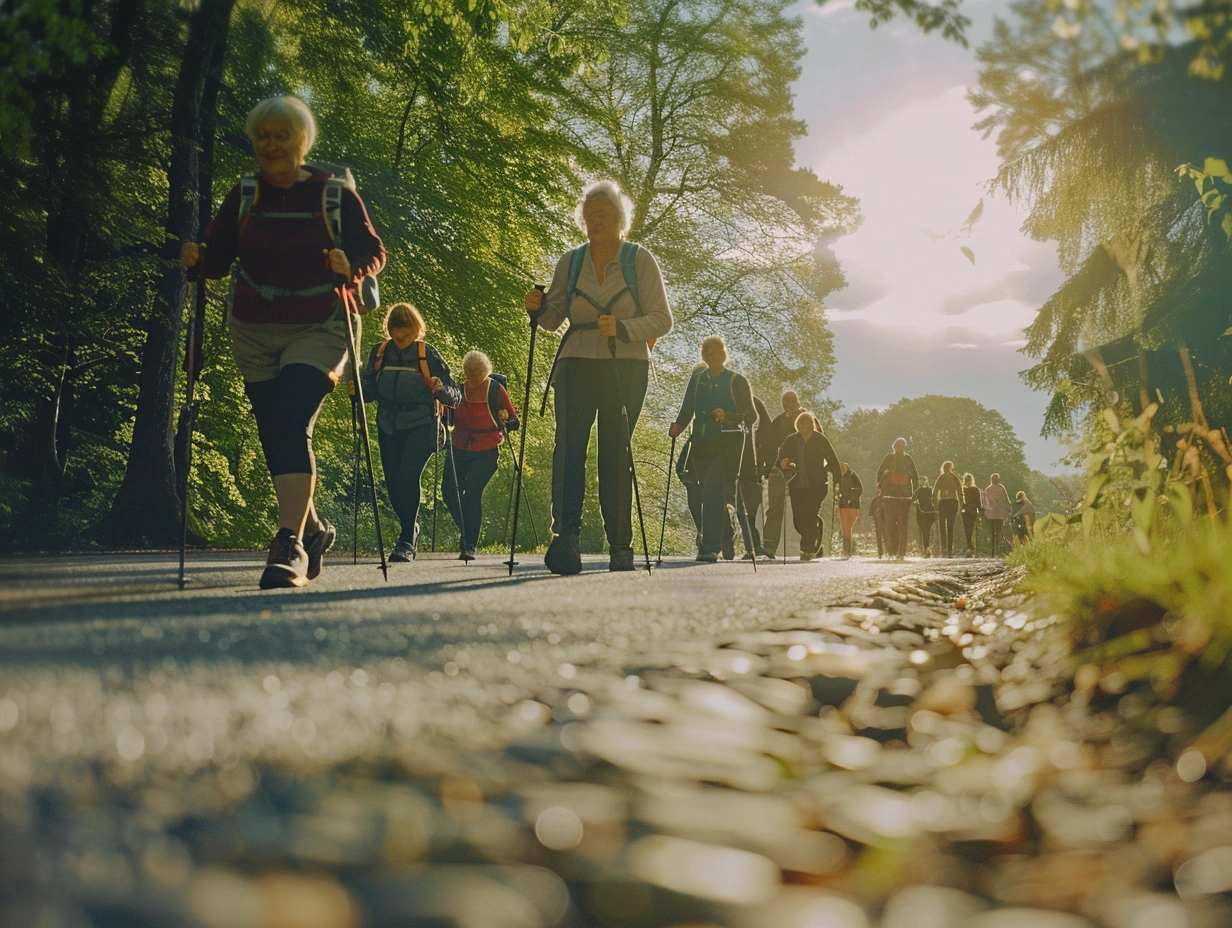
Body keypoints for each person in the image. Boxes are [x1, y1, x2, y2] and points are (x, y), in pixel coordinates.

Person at [181, 95, 385, 589]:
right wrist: (199, 261)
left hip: (321, 321)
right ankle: (313, 531)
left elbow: (372, 250)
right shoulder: (246, 194)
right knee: (274, 430)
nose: (270, 145)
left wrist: (350, 266)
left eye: (280, 136)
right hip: (253, 326)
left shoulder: (331, 193)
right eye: (261, 137)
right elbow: (219, 258)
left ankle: (288, 544)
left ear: (301, 141)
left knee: (289, 418)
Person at [524, 180, 673, 573]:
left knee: (615, 453)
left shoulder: (640, 260)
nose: (594, 223)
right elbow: (554, 319)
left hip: (626, 365)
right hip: (575, 364)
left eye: (602, 215)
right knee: (568, 450)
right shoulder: (570, 262)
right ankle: (566, 539)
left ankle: (620, 546)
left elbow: (663, 318)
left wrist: (623, 328)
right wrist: (537, 308)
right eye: (589, 217)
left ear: (619, 219)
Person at [360, 304, 461, 562]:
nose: (400, 336)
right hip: (387, 424)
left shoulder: (426, 354)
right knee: (392, 483)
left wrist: (441, 390)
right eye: (396, 331)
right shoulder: (380, 353)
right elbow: (368, 392)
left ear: (416, 329)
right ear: (390, 329)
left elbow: (455, 395)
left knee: (406, 477)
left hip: (421, 424)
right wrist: (357, 389)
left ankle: (406, 540)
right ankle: (411, 527)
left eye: (405, 331)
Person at [669, 336, 756, 562]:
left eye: (715, 351)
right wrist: (678, 426)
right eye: (707, 351)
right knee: (709, 495)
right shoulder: (697, 380)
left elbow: (751, 416)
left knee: (711, 490)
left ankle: (709, 547)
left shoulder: (737, 381)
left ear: (724, 353)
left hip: (728, 445)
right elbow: (687, 409)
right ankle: (724, 541)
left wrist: (728, 416)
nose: (711, 355)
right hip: (701, 445)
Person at [443, 350, 519, 560]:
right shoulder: (459, 389)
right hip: (459, 446)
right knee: (448, 492)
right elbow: (448, 417)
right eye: (469, 373)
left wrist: (505, 421)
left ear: (486, 372)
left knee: (471, 494)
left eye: (476, 373)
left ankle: (469, 545)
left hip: (486, 449)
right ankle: (468, 533)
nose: (472, 378)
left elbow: (515, 421)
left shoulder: (495, 389)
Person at [776, 411, 840, 561]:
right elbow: (781, 459)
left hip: (817, 485)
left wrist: (836, 479)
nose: (806, 426)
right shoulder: (791, 440)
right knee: (798, 521)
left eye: (809, 423)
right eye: (802, 424)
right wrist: (783, 464)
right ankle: (816, 532)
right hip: (797, 485)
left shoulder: (820, 439)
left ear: (813, 425)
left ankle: (807, 550)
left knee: (809, 516)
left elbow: (833, 461)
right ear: (797, 425)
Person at [760, 391, 816, 559]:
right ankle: (769, 547)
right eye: (785, 403)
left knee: (803, 511)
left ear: (798, 402)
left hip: (804, 471)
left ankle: (810, 544)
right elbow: (769, 445)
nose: (788, 406)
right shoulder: (777, 422)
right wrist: (766, 467)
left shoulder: (808, 420)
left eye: (791, 402)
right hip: (780, 469)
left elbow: (819, 443)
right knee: (774, 508)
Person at [734, 392, 771, 560]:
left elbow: (769, 435)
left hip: (753, 468)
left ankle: (753, 545)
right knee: (742, 509)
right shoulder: (730, 402)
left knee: (750, 510)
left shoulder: (757, 405)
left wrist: (766, 466)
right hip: (734, 465)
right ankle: (753, 546)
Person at [876, 438, 919, 560]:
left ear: (905, 447)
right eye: (899, 445)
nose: (901, 448)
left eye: (903, 446)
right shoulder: (889, 458)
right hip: (890, 495)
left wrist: (913, 493)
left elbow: (915, 476)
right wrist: (881, 487)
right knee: (890, 523)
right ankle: (893, 551)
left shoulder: (908, 459)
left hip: (904, 497)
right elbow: (879, 473)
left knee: (901, 524)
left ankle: (900, 552)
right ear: (894, 446)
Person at [933, 461, 962, 557]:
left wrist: (935, 504)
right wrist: (962, 504)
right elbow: (960, 491)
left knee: (942, 526)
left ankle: (944, 548)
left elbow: (935, 490)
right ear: (951, 468)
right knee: (950, 526)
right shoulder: (955, 478)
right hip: (953, 502)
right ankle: (949, 549)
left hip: (943, 502)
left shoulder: (941, 478)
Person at [837, 462, 863, 557]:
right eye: (840, 467)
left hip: (853, 506)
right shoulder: (838, 477)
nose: (842, 469)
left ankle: (847, 550)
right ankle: (846, 551)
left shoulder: (852, 475)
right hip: (843, 505)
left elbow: (860, 489)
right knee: (845, 529)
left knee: (848, 528)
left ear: (848, 468)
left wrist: (852, 497)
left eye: (844, 467)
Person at [984, 473, 1012, 556]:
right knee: (999, 532)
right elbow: (1006, 499)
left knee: (992, 532)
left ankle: (993, 551)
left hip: (991, 514)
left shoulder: (988, 489)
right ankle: (998, 551)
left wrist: (992, 506)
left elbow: (987, 501)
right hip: (1000, 513)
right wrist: (1007, 510)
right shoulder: (1001, 488)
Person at [913, 475, 937, 557]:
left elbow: (913, 499)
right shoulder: (928, 490)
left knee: (926, 531)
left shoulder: (921, 491)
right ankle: (926, 547)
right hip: (926, 512)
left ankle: (926, 547)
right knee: (926, 531)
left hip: (925, 512)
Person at [961, 473, 982, 556]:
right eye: (966, 480)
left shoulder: (974, 489)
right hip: (966, 511)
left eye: (969, 480)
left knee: (970, 529)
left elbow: (978, 500)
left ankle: (969, 545)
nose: (968, 481)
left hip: (971, 511)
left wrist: (979, 509)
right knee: (967, 529)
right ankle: (969, 545)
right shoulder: (963, 489)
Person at [869, 488, 888, 558]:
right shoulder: (875, 500)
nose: (879, 492)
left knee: (886, 536)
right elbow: (871, 510)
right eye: (878, 491)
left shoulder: (885, 500)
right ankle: (880, 553)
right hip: (877, 521)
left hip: (885, 521)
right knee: (879, 536)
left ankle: (887, 551)